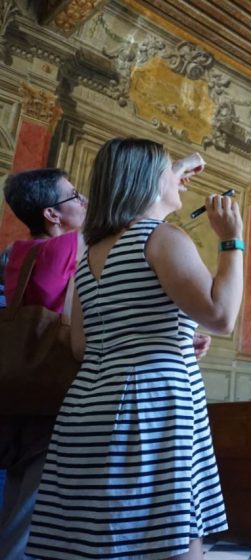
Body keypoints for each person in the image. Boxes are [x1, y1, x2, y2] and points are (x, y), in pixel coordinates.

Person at [26, 138, 243, 560]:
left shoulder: (89, 255)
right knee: (173, 536)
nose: (178, 179)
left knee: (103, 539)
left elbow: (81, 345)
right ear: (147, 180)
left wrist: (170, 337)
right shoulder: (163, 239)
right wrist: (232, 240)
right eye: (169, 170)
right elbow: (221, 314)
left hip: (89, 407)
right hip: (155, 407)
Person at [0, 168, 87, 560]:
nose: (83, 202)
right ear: (52, 214)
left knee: (18, 492)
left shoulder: (13, 253)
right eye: (74, 196)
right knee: (33, 508)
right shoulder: (69, 246)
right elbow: (123, 219)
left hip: (17, 385)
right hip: (53, 387)